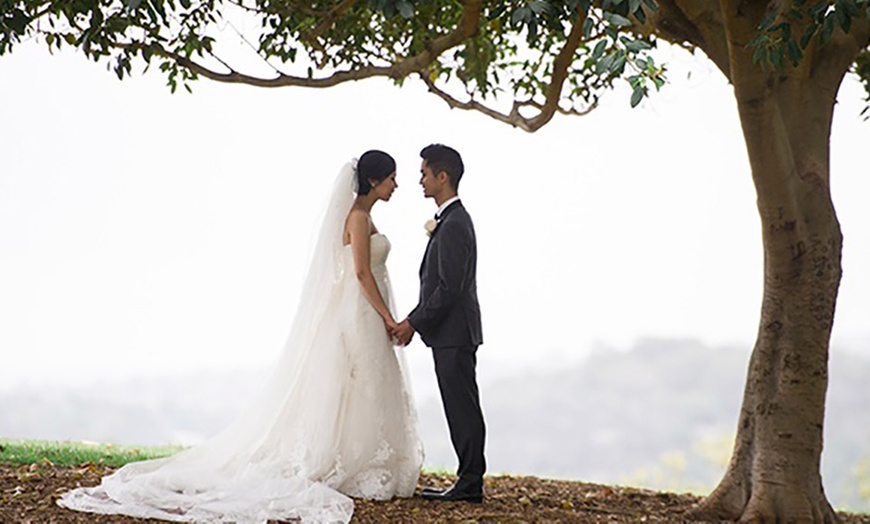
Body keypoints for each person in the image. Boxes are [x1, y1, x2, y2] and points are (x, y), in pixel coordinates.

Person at [57, 150, 423, 523]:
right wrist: (388, 316)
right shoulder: (358, 219)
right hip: (359, 311)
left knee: (365, 382)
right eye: (392, 178)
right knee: (361, 380)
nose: (397, 185)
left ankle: (366, 460)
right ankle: (352, 462)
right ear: (374, 181)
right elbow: (361, 274)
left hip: (363, 309)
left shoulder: (365, 218)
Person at [393, 144, 486, 503]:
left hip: (455, 332)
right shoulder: (450, 221)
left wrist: (413, 323)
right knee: (459, 405)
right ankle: (468, 480)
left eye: (424, 173)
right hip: (451, 333)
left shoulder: (455, 224)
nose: (420, 180)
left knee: (462, 407)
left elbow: (449, 288)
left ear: (442, 176)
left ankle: (469, 483)